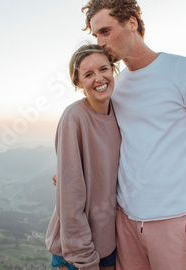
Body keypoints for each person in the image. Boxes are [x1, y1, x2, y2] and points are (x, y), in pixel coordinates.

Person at [81, 0, 186, 270]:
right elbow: (108, 143)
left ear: (131, 23)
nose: (99, 42)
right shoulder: (115, 87)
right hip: (124, 222)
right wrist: (74, 169)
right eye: (95, 34)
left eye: (105, 31)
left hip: (176, 222)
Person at [45, 44, 121, 270]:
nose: (99, 78)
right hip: (76, 254)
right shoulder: (74, 118)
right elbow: (71, 200)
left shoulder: (119, 113)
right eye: (88, 74)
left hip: (108, 245)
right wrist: (84, 259)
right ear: (78, 83)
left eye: (103, 69)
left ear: (113, 70)